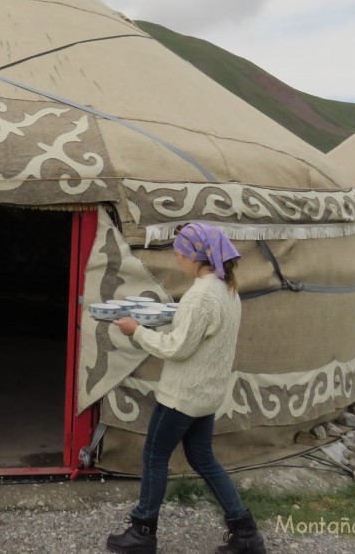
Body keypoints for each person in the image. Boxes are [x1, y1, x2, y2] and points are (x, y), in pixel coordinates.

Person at [106, 222, 266, 554]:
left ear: (195, 257)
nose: (176, 257)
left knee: (154, 455)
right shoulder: (226, 288)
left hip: (182, 397)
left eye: (179, 252)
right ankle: (246, 533)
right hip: (206, 396)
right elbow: (198, 329)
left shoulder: (200, 294)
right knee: (203, 458)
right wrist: (164, 316)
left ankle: (142, 532)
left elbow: (177, 348)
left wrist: (136, 330)